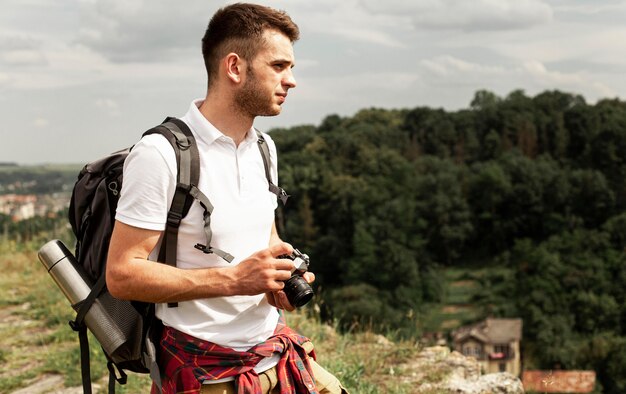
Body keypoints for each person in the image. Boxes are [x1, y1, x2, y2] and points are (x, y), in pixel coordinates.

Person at [106, 3, 347, 394]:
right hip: (204, 368)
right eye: (280, 66)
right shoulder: (160, 154)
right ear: (235, 67)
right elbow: (121, 274)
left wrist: (277, 281)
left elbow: (266, 241)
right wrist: (235, 279)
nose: (292, 81)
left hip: (274, 349)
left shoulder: (264, 148)